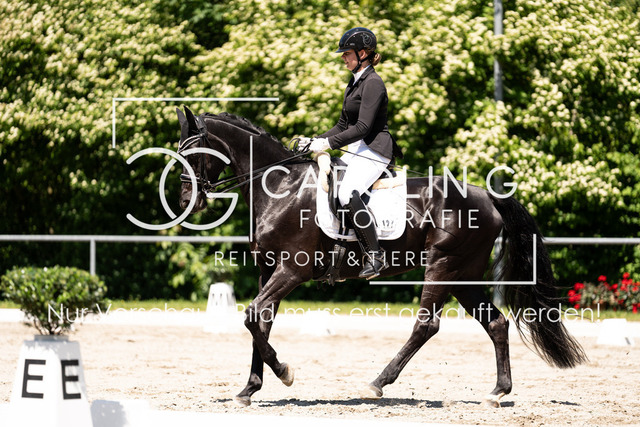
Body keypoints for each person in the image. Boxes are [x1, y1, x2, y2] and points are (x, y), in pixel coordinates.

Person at [305, 27, 402, 279]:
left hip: (375, 149)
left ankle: (375, 256)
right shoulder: (354, 82)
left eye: (347, 53)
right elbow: (342, 125)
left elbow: (362, 128)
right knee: (330, 183)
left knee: (347, 192)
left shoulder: (373, 83)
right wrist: (314, 141)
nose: (343, 58)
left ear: (363, 53)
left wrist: (327, 144)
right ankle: (338, 250)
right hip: (358, 149)